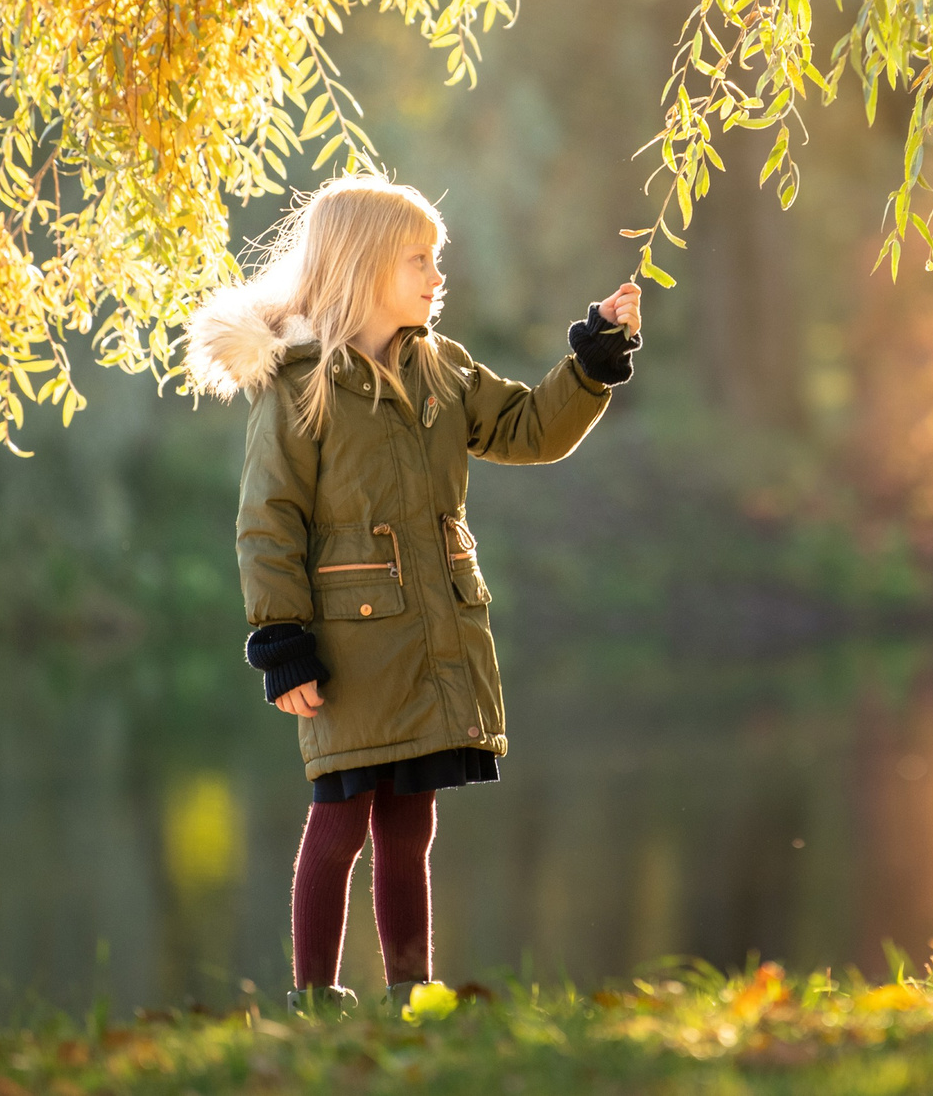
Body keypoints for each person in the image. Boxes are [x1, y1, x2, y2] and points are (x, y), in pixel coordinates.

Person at [185, 174, 642, 1012]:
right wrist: (281, 638)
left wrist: (592, 362)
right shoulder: (299, 384)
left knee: (411, 822)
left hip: (431, 635)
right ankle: (315, 997)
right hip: (350, 646)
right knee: (341, 818)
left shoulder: (443, 369)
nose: (438, 276)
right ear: (362, 267)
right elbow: (268, 520)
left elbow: (528, 429)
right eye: (419, 260)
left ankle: (409, 990)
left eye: (438, 260)